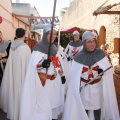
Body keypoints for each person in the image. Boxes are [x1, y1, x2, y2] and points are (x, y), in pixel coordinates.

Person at [62, 31, 119, 120]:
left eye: (93, 41)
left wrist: (103, 71)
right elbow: (74, 78)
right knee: (84, 108)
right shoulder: (78, 58)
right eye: (89, 42)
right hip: (84, 89)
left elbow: (107, 70)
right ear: (84, 43)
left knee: (97, 108)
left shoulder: (100, 54)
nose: (92, 44)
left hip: (97, 88)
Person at [20, 27, 65, 120]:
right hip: (44, 83)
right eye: (51, 34)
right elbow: (33, 66)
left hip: (54, 81)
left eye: (55, 34)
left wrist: (62, 75)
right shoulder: (39, 47)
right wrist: (42, 64)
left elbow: (58, 64)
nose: (53, 36)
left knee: (53, 104)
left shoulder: (54, 48)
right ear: (45, 35)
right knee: (44, 105)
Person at [0, 28, 31, 120]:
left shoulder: (12, 46)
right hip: (22, 74)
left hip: (13, 73)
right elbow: (28, 64)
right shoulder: (25, 48)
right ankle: (20, 110)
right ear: (24, 35)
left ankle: (13, 108)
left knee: (13, 89)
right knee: (20, 90)